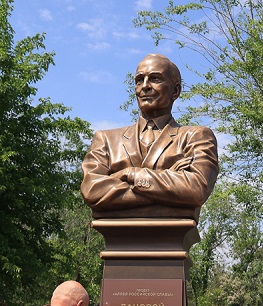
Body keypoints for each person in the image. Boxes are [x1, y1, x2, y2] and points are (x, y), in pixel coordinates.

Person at [81, 54, 218, 221]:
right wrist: (172, 188)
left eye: (154, 79)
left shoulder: (196, 137)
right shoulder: (106, 140)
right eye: (139, 80)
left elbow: (196, 189)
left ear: (175, 90)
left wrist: (128, 175)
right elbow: (92, 191)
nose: (144, 86)